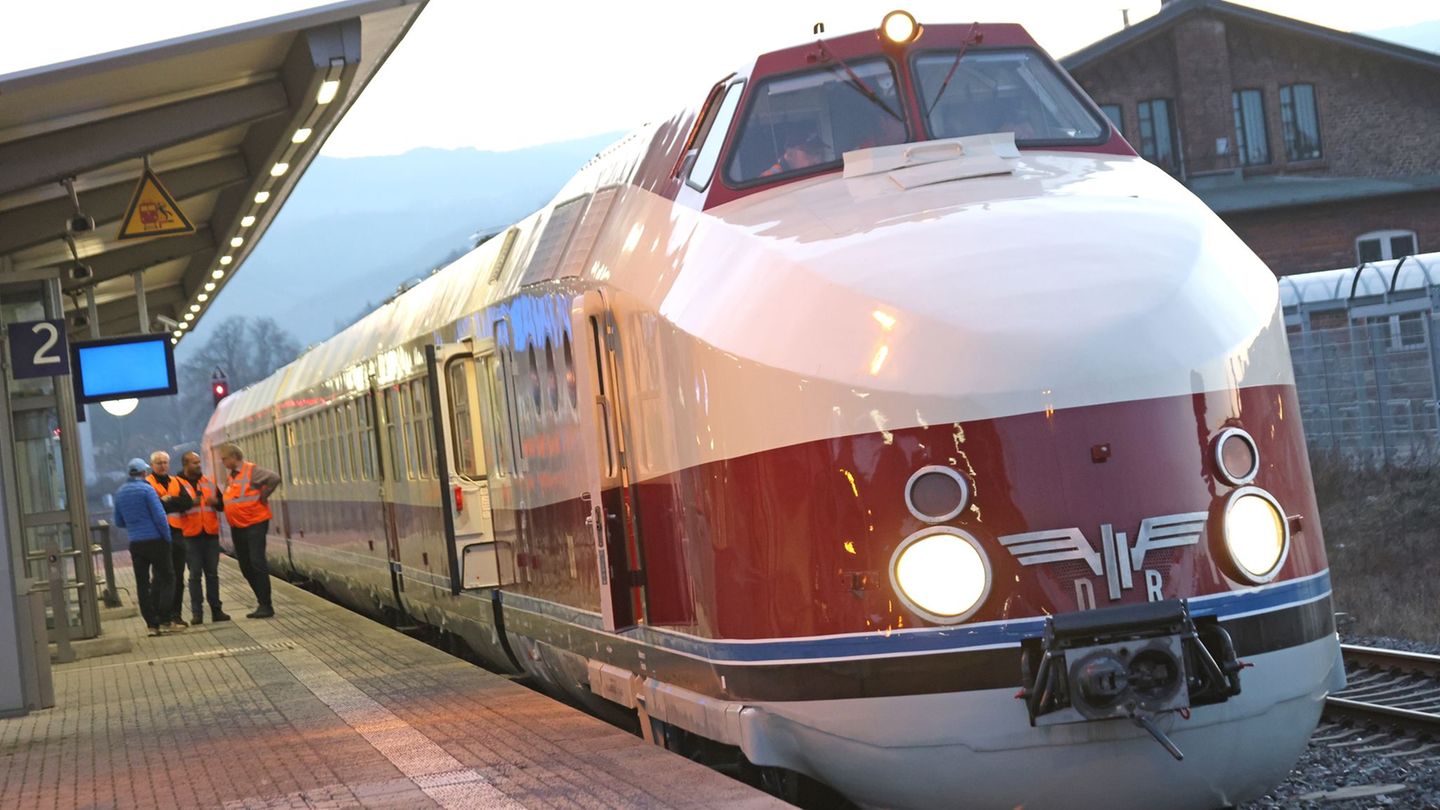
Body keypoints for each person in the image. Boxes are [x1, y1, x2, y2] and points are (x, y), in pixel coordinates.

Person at [215, 443, 281, 618]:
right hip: (238, 525)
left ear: (234, 457)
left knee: (256, 562)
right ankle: (261, 602)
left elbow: (274, 478)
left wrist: (264, 496)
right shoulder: (232, 476)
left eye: (224, 459)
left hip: (255, 523)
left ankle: (266, 605)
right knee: (245, 565)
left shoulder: (251, 471)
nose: (223, 462)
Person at [113, 458, 174, 637]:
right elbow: (160, 517)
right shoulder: (147, 490)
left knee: (142, 584)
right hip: (156, 541)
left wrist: (135, 525)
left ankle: (151, 625)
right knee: (168, 577)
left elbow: (118, 521)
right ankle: (165, 619)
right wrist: (167, 537)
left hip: (136, 544)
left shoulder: (120, 492)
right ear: (143, 473)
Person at [179, 451, 229, 625]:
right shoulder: (177, 484)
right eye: (194, 463)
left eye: (199, 462)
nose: (199, 465)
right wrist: (188, 503)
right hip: (190, 536)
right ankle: (197, 613)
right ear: (185, 465)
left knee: (212, 574)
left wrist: (216, 502)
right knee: (194, 575)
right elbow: (173, 505)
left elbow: (222, 505)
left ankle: (217, 610)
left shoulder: (208, 482)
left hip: (210, 534)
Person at [145, 451, 194, 629]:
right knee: (159, 577)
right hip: (158, 536)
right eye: (159, 463)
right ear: (152, 465)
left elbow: (188, 502)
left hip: (177, 534)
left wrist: (170, 500)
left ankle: (176, 614)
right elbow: (151, 506)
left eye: (165, 462)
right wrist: (170, 503)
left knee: (178, 577)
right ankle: (159, 614)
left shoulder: (176, 481)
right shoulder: (147, 484)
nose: (163, 466)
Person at [761, 126, 828, 177]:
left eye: (820, 153)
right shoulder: (770, 178)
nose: (818, 161)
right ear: (790, 154)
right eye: (810, 153)